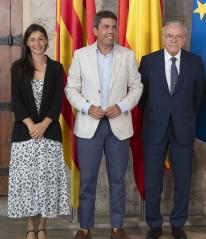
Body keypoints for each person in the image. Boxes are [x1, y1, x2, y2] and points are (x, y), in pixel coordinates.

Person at [65, 10, 143, 239]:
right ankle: (85, 228)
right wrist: (88, 107)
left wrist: (122, 105)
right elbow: (71, 89)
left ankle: (117, 227)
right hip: (89, 125)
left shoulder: (127, 56)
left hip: (118, 125)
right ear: (95, 30)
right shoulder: (81, 55)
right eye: (106, 27)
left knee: (117, 180)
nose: (110, 31)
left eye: (113, 27)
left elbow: (137, 87)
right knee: (87, 180)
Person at [139, 20, 205, 239]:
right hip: (154, 127)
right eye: (170, 36)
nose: (174, 40)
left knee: (183, 178)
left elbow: (198, 96)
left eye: (178, 36)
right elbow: (142, 96)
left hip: (183, 128)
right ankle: (154, 224)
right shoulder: (148, 62)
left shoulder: (195, 62)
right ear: (163, 37)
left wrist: (183, 114)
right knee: (153, 179)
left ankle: (178, 224)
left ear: (184, 39)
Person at [8, 23, 70, 239]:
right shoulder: (18, 68)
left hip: (49, 133)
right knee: (27, 183)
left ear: (46, 41)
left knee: (46, 183)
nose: (37, 43)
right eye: (33, 39)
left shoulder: (56, 68)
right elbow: (16, 100)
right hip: (25, 134)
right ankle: (30, 227)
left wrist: (43, 125)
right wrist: (31, 125)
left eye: (41, 39)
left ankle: (42, 227)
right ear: (27, 42)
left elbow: (57, 100)